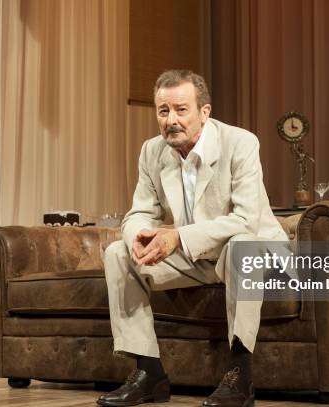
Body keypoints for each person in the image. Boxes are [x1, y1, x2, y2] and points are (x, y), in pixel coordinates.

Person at [97, 70, 287, 407]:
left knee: (242, 246)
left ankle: (241, 376)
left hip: (253, 250)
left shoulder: (240, 143)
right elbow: (139, 212)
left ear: (205, 112)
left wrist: (177, 238)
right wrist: (138, 236)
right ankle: (149, 373)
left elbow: (245, 219)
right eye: (163, 111)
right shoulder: (152, 151)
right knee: (116, 252)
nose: (171, 120)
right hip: (197, 256)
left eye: (181, 110)